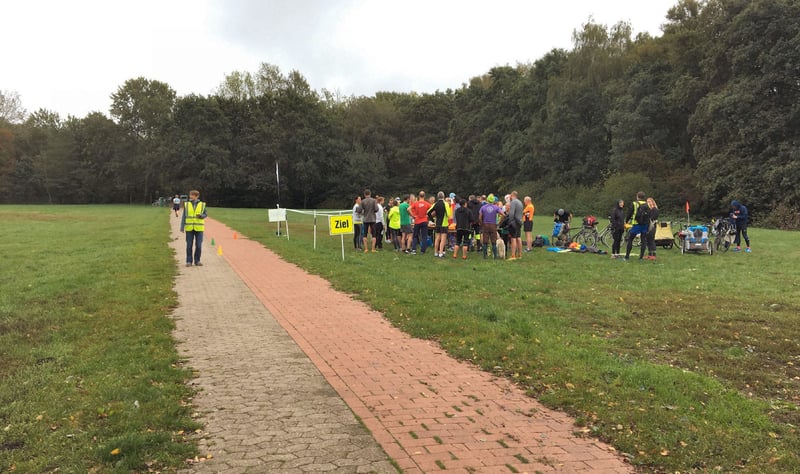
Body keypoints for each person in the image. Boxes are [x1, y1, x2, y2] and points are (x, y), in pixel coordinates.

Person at [180, 190, 207, 267]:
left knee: (198, 245)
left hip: (199, 228)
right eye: (190, 195)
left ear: (196, 196)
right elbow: (184, 216)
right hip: (189, 228)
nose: (190, 196)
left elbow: (205, 214)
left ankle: (197, 260)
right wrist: (182, 227)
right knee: (189, 245)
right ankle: (189, 261)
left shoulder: (202, 204)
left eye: (192, 195)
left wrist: (201, 216)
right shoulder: (187, 204)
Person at [623, 191, 650, 261]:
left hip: (636, 224)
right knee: (643, 240)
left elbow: (629, 213)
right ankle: (641, 257)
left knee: (630, 239)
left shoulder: (634, 203)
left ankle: (627, 257)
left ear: (637, 196)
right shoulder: (647, 204)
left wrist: (626, 221)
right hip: (645, 224)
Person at [427, 191, 452, 258]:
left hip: (437, 223)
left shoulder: (435, 204)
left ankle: (435, 252)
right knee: (443, 239)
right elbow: (448, 214)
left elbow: (428, 212)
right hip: (444, 223)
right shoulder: (446, 204)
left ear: (438, 197)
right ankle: (441, 253)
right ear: (443, 197)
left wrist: (432, 219)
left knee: (437, 238)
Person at [479, 194, 502, 259]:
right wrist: (499, 223)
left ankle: (484, 256)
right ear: (493, 201)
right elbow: (503, 214)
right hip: (493, 225)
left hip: (485, 224)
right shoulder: (496, 207)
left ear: (487, 200)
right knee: (494, 241)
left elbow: (480, 217)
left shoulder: (483, 207)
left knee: (485, 241)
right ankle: (495, 256)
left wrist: (481, 223)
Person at [507, 191, 523, 259]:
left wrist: (509, 221)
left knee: (513, 238)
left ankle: (513, 255)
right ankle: (519, 254)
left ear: (512, 195)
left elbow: (511, 213)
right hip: (519, 221)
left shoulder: (513, 202)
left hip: (514, 222)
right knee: (518, 238)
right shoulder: (520, 202)